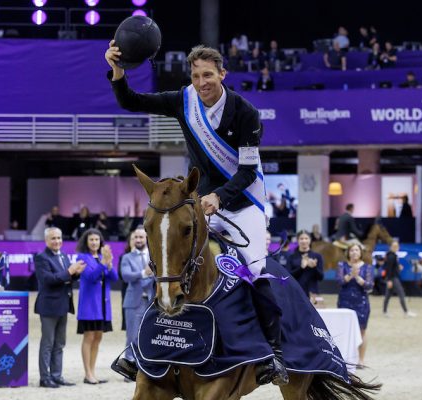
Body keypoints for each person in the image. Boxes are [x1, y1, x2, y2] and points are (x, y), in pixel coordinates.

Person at [106, 43, 288, 385]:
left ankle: (271, 354)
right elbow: (131, 100)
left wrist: (220, 196)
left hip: (244, 201)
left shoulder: (246, 113)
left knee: (255, 269)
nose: (201, 82)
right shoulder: (183, 100)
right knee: (170, 262)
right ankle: (137, 349)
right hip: (200, 200)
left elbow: (248, 171)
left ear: (222, 74)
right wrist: (118, 71)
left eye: (208, 75)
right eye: (195, 75)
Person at [34, 227, 84, 388]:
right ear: (46, 241)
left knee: (60, 343)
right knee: (47, 343)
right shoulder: (41, 257)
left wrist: (77, 273)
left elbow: (66, 277)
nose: (57, 241)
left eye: (59, 238)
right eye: (53, 238)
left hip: (63, 304)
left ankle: (56, 375)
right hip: (49, 306)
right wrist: (70, 271)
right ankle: (44, 377)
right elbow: (48, 279)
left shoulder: (63, 256)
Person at [75, 228, 118, 385]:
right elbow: (91, 277)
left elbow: (114, 277)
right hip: (89, 306)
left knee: (98, 337)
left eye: (97, 240)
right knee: (89, 337)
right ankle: (87, 373)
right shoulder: (82, 257)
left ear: (101, 242)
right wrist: (103, 264)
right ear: (86, 242)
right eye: (91, 240)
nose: (94, 242)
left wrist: (110, 264)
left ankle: (92, 372)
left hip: (102, 306)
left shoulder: (102, 257)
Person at [117, 228, 153, 379]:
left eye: (141, 237)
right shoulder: (126, 257)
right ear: (132, 240)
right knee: (132, 337)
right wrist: (144, 273)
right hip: (134, 302)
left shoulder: (153, 256)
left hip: (151, 301)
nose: (138, 240)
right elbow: (126, 276)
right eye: (136, 237)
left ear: (146, 238)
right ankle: (128, 370)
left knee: (148, 336)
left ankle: (144, 368)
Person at [336, 244, 374, 366]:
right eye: (352, 250)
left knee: (362, 331)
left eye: (356, 250)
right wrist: (350, 274)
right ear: (348, 252)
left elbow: (369, 285)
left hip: (361, 302)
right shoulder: (342, 265)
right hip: (345, 301)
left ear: (360, 252)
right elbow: (340, 281)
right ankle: (345, 358)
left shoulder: (367, 267)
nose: (354, 252)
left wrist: (357, 277)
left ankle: (361, 360)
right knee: (344, 331)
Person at [285, 230, 324, 303]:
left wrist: (314, 267)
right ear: (298, 240)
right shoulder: (291, 257)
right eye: (301, 238)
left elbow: (321, 277)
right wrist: (301, 267)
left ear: (310, 240)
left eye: (306, 238)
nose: (304, 241)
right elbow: (288, 277)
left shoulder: (317, 256)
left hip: (313, 294)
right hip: (296, 292)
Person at [382, 240, 416, 317]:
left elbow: (390, 267)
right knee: (401, 294)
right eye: (394, 246)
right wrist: (389, 280)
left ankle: (385, 311)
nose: (396, 248)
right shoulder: (392, 256)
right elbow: (389, 268)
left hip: (392, 277)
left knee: (388, 295)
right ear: (390, 247)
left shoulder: (390, 255)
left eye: (397, 246)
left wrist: (398, 267)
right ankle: (406, 312)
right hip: (393, 278)